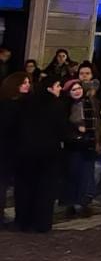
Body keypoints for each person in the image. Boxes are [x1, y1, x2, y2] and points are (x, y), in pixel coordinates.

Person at [14, 75, 66, 232]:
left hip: (25, 152)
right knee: (45, 189)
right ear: (50, 88)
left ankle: (23, 221)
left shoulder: (26, 102)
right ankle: (41, 223)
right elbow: (61, 129)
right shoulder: (56, 104)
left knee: (25, 188)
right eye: (58, 85)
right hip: (48, 153)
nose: (60, 89)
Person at [62, 79, 99, 216]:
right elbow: (63, 124)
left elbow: (97, 121)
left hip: (88, 143)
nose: (77, 91)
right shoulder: (66, 106)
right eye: (73, 90)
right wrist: (76, 129)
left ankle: (84, 202)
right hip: (72, 144)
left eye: (79, 88)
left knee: (86, 175)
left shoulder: (89, 103)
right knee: (72, 175)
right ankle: (70, 203)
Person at [0, 72, 32, 225]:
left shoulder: (23, 103)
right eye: (23, 82)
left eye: (28, 82)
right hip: (6, 150)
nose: (27, 85)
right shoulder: (9, 105)